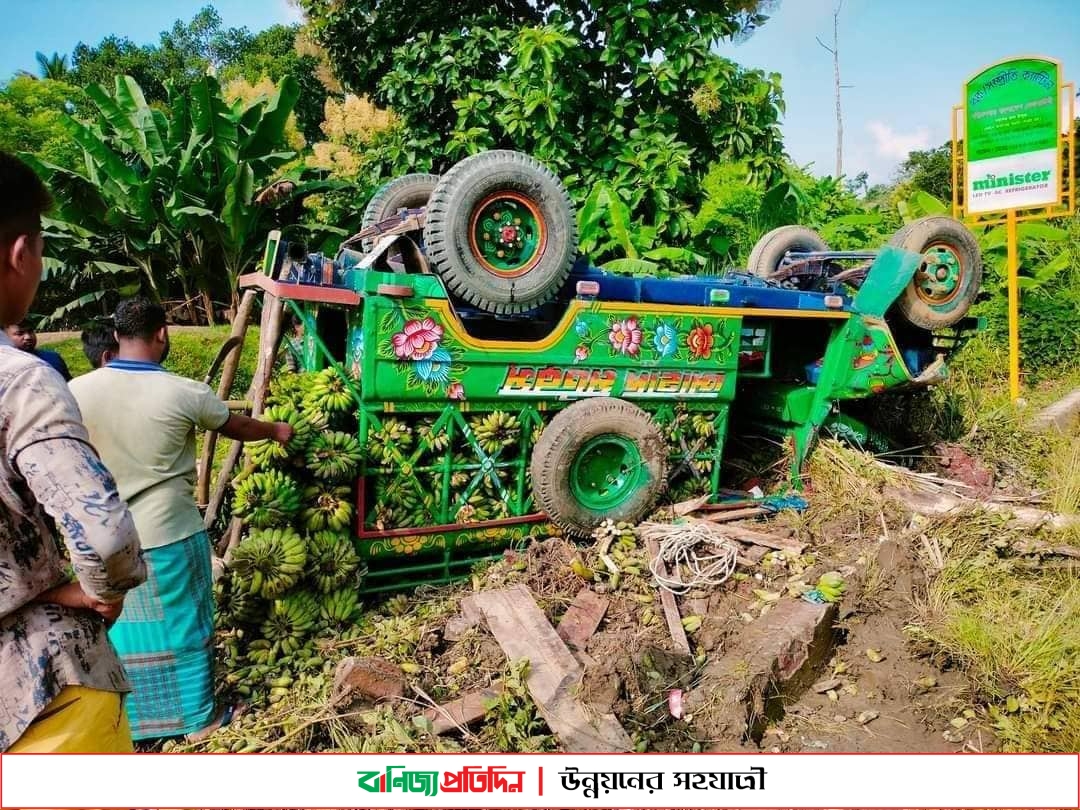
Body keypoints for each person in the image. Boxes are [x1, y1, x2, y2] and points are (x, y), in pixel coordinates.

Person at [69, 296, 295, 743]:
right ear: (162, 334)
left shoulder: (76, 391)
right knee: (186, 626)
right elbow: (237, 427)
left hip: (101, 537)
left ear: (115, 336)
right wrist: (276, 430)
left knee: (122, 629)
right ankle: (198, 721)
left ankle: (133, 721)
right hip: (168, 532)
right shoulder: (183, 391)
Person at [0, 150, 147, 753]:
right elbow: (104, 539)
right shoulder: (20, 381)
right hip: (42, 692)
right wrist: (98, 590)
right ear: (20, 254)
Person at [3, 318, 72, 380]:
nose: (28, 337)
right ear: (5, 336)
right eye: (20, 333)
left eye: (30, 331)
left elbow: (69, 385)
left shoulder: (53, 358)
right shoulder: (4, 365)